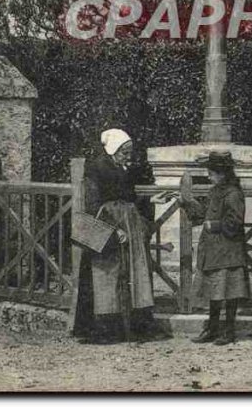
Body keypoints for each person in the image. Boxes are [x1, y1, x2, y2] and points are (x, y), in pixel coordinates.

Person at [73, 128, 161, 344]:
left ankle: (126, 327)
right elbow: (93, 203)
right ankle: (103, 328)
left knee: (129, 275)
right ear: (113, 149)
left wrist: (151, 200)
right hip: (106, 227)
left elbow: (127, 197)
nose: (128, 156)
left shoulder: (122, 167)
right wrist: (114, 228)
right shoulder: (96, 168)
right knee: (104, 276)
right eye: (124, 152)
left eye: (129, 152)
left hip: (128, 225)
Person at [180, 151, 251, 345]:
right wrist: (185, 203)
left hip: (228, 250)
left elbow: (235, 222)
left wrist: (215, 225)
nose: (209, 175)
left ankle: (228, 331)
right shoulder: (215, 191)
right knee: (214, 291)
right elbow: (204, 214)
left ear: (223, 173)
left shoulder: (234, 193)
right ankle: (212, 329)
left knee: (230, 292)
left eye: (212, 172)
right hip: (214, 250)